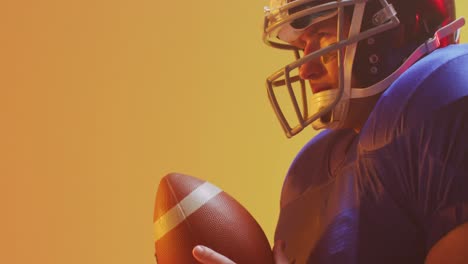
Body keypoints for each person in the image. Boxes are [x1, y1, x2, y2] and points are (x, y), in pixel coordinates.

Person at [193, 0, 468, 263]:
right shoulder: (307, 173)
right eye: (302, 47)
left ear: (395, 31)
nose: (305, 69)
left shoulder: (444, 94)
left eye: (323, 36)